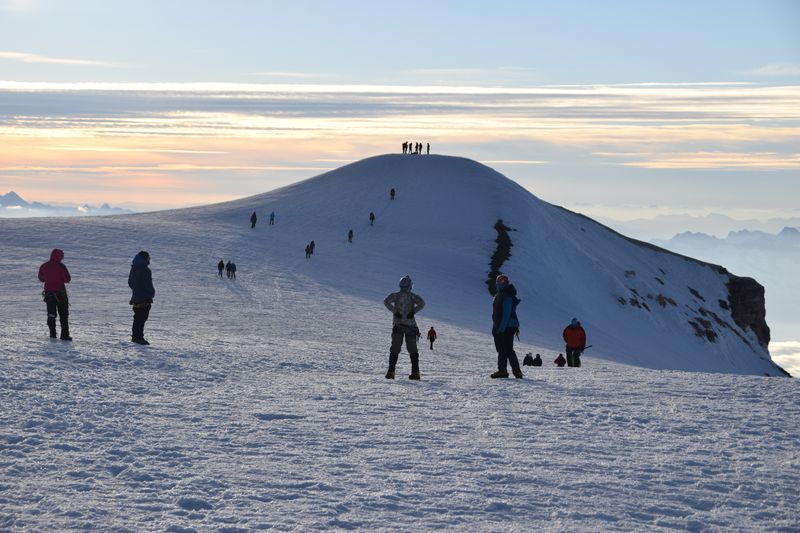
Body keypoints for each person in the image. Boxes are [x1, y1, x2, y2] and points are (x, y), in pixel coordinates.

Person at [383, 275, 426, 380]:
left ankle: (391, 372)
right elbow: (422, 303)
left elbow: (386, 301)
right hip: (410, 326)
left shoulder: (395, 296)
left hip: (398, 325)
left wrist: (395, 311)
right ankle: (415, 373)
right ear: (410, 286)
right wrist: (413, 312)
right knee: (413, 350)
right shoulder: (413, 296)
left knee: (395, 349)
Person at [491, 274, 522, 378]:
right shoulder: (500, 295)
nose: (501, 283)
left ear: (507, 282)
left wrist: (500, 329)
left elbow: (506, 314)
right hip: (502, 327)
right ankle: (504, 371)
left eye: (503, 281)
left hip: (506, 327)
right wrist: (495, 327)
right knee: (502, 349)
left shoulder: (506, 296)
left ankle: (515, 372)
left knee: (507, 349)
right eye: (499, 281)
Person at [38, 248, 72, 340]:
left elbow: (41, 278)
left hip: (49, 293)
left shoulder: (44, 266)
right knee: (63, 314)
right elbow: (67, 279)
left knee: (51, 314)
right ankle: (64, 335)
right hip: (60, 293)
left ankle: (52, 335)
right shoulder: (61, 266)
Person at [128, 250, 155, 345]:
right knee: (141, 319)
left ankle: (135, 337)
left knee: (137, 318)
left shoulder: (134, 268)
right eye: (148, 258)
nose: (149, 260)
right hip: (144, 299)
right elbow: (148, 285)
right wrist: (151, 293)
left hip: (135, 297)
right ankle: (139, 338)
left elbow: (130, 283)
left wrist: (136, 290)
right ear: (145, 259)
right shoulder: (145, 270)